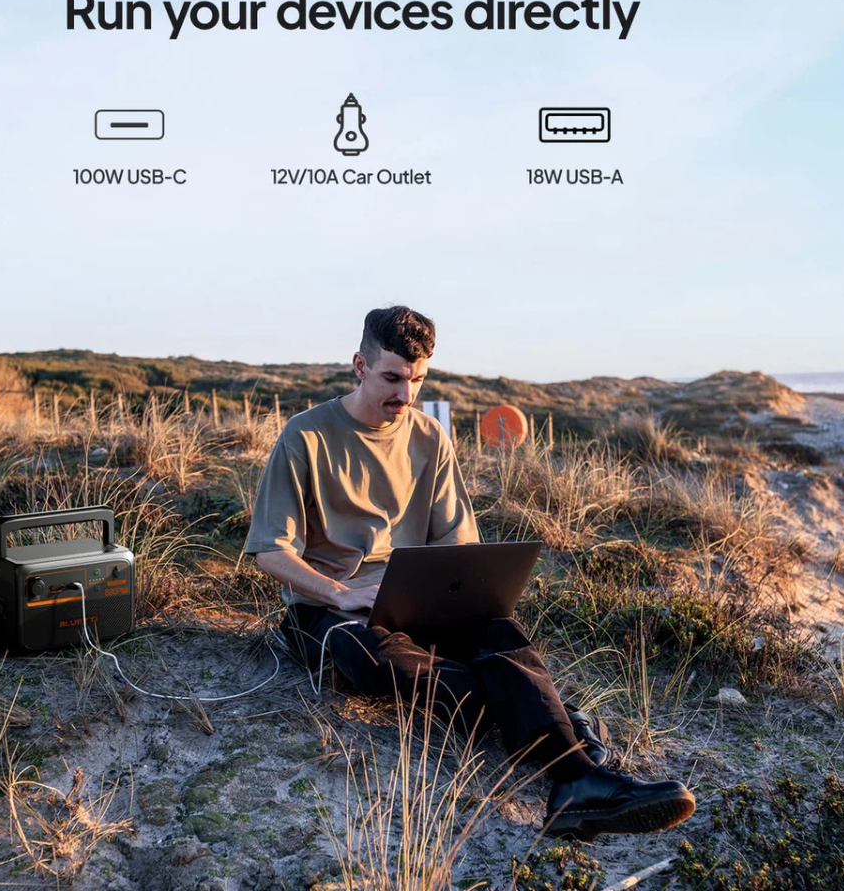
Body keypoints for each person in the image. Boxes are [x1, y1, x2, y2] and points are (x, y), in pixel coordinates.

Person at [244, 305, 695, 840]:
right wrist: (340, 593)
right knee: (374, 660)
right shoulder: (306, 436)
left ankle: (576, 782)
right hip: (327, 609)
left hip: (413, 593)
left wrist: (453, 592)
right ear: (360, 366)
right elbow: (269, 552)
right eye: (392, 377)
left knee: (495, 627)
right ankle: (566, 726)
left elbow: (458, 542)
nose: (405, 395)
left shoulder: (430, 436)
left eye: (418, 380)